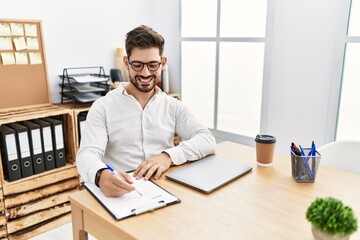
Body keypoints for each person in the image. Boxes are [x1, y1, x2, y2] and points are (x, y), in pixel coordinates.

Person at [76, 25, 216, 197]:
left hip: (165, 188)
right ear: (126, 63)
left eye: (152, 65)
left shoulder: (172, 105)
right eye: (137, 65)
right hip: (122, 191)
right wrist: (100, 174)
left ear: (162, 63)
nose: (145, 73)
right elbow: (86, 154)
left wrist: (167, 157)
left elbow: (207, 139)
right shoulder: (103, 107)